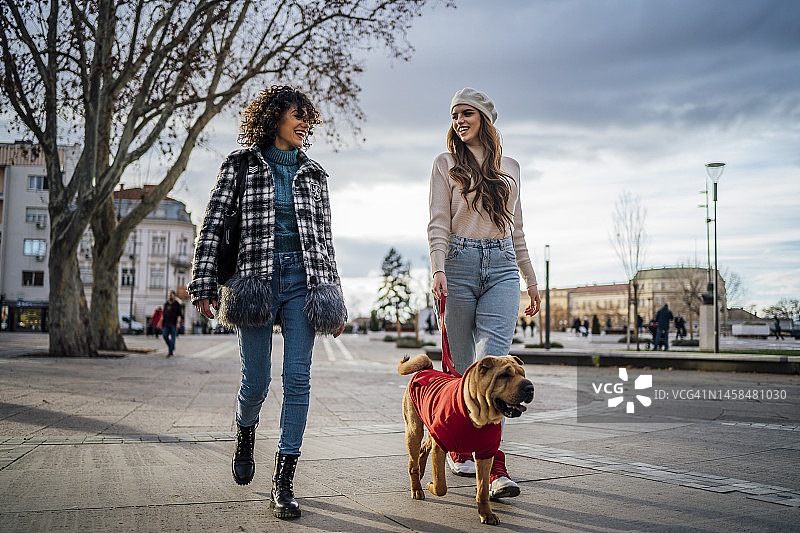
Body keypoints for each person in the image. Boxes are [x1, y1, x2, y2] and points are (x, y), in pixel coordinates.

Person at [189, 86, 347, 520]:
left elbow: (324, 243)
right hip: (254, 281)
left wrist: (333, 299)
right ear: (275, 116)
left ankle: (284, 480)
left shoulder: (315, 174)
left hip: (303, 280)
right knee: (255, 380)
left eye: (308, 119)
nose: (305, 124)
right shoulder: (239, 166)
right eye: (298, 115)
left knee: (298, 378)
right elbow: (212, 226)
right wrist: (203, 284)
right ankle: (245, 432)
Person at [428, 87, 540, 500]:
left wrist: (530, 281)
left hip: (503, 266)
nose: (459, 120)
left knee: (493, 362)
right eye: (454, 114)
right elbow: (438, 221)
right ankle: (456, 444)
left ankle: (496, 470)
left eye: (466, 113)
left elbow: (518, 229)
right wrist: (438, 269)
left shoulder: (509, 166)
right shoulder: (445, 164)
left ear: (485, 119)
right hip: (456, 266)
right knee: (460, 369)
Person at [161, 291, 183, 357]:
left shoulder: (177, 304)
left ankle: (170, 352)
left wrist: (178, 323)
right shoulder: (166, 304)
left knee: (173, 338)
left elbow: (179, 315)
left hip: (174, 324)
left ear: (174, 295)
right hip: (165, 323)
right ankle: (171, 347)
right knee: (164, 336)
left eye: (171, 295)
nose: (170, 296)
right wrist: (160, 322)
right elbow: (163, 314)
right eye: (169, 295)